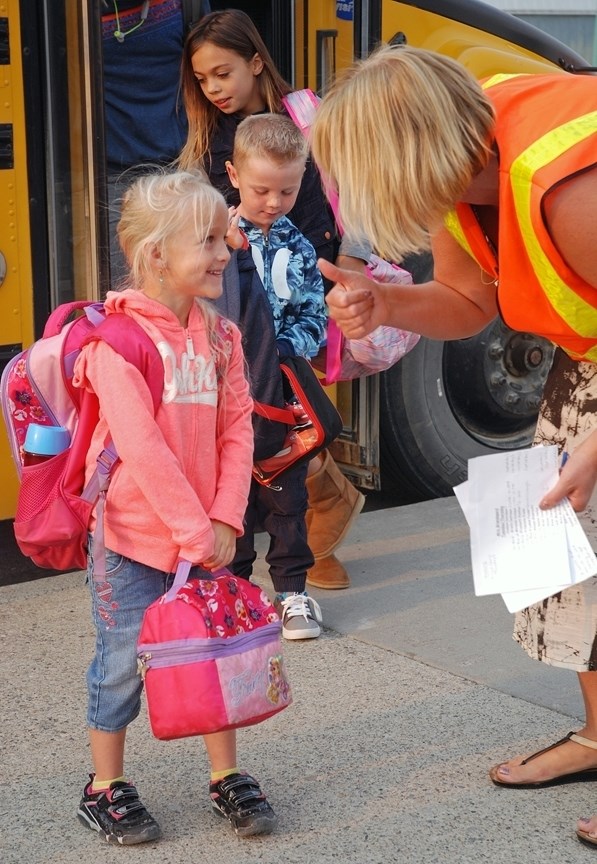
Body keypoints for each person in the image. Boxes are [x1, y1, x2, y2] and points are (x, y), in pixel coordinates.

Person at [308, 43, 597, 847]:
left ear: (408, 154)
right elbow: (468, 303)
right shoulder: (465, 164)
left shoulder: (568, 192)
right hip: (589, 363)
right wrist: (385, 303)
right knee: (566, 560)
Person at [72, 170, 277, 845]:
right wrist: (198, 533)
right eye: (208, 240)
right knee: (122, 660)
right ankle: (105, 787)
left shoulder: (219, 338)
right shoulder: (116, 342)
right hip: (133, 539)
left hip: (204, 536)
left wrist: (225, 519)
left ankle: (225, 775)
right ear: (157, 253)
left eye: (224, 237)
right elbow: (144, 452)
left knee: (212, 652)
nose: (226, 251)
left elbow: (237, 425)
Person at [179, 7, 367, 590]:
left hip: (298, 285)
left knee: (290, 414)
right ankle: (322, 519)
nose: (214, 89)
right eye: (203, 79)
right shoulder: (211, 137)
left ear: (257, 62)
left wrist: (347, 266)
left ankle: (315, 533)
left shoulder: (303, 121)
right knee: (265, 414)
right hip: (237, 297)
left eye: (224, 73)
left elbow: (350, 195)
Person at [223, 112, 326, 639]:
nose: (273, 202)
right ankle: (232, 591)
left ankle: (293, 593)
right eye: (262, 189)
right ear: (233, 175)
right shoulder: (211, 239)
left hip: (279, 394)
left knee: (287, 496)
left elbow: (315, 319)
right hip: (221, 397)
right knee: (230, 497)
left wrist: (288, 348)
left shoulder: (301, 249)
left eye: (286, 191)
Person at [101, 0, 189, 284]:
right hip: (107, 176)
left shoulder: (185, 5)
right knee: (124, 289)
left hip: (178, 168)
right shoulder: (75, 12)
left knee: (179, 284)